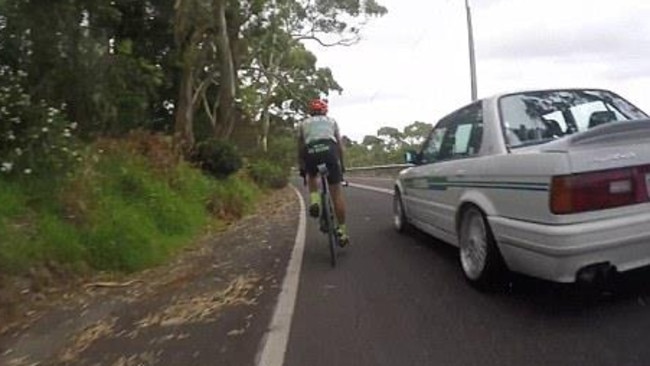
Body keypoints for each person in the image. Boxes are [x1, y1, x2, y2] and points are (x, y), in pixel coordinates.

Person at [297, 98, 349, 246]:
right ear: (325, 111)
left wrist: (302, 166)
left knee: (312, 174)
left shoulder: (303, 124)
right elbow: (339, 146)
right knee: (337, 194)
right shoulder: (332, 121)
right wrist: (342, 165)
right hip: (329, 151)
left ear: (310, 112)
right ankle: (343, 232)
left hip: (311, 151)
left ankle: (315, 201)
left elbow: (300, 148)